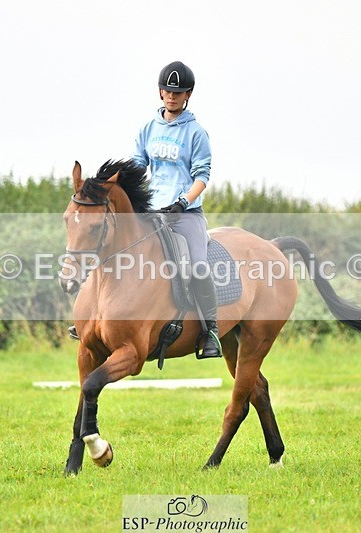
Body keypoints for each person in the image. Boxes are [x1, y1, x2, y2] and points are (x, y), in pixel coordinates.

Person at [132, 60, 221, 358]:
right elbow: (137, 165)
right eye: (168, 91)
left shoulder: (196, 133)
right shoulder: (148, 128)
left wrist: (183, 201)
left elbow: (202, 176)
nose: (172, 96)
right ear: (160, 92)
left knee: (197, 266)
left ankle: (210, 332)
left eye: (178, 92)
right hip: (152, 212)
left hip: (185, 214)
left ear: (188, 95)